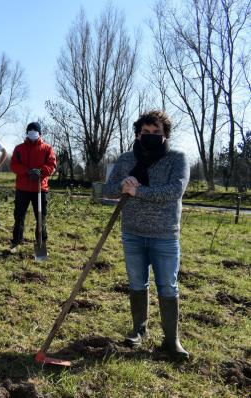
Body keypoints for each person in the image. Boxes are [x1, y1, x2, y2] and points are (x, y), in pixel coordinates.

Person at [103, 110, 190, 360]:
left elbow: (174, 191)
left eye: (156, 133)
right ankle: (138, 330)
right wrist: (122, 186)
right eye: (146, 132)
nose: (151, 136)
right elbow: (108, 190)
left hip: (165, 234)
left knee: (167, 285)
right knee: (136, 283)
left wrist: (137, 192)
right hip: (132, 233)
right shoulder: (126, 158)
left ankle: (172, 341)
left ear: (165, 135)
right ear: (138, 134)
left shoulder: (177, 159)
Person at [9, 122, 57, 253]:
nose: (32, 133)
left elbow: (52, 165)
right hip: (22, 189)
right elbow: (14, 165)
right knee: (19, 216)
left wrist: (41, 172)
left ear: (40, 133)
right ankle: (16, 242)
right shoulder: (19, 149)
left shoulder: (47, 149)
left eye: (35, 131)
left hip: (40, 189)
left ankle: (41, 244)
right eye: (30, 131)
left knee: (41, 218)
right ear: (27, 133)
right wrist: (27, 171)